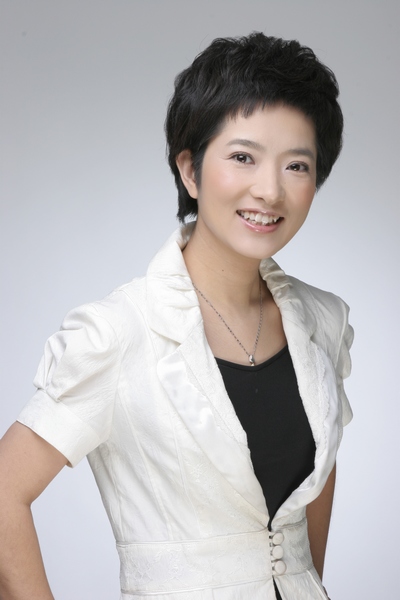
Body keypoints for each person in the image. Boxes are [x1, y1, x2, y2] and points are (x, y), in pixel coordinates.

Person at [0, 33, 353, 599]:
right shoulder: (120, 331)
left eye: (296, 165)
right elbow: (4, 493)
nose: (269, 190)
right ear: (190, 170)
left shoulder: (321, 321)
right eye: (243, 157)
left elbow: (317, 482)